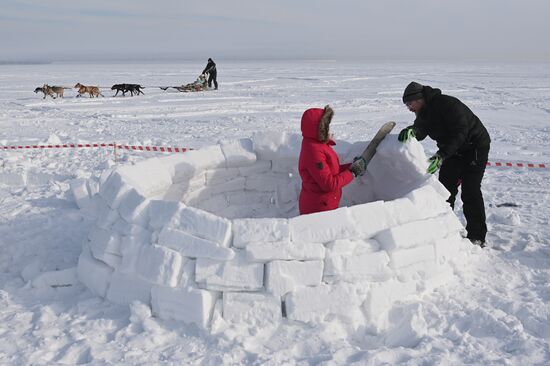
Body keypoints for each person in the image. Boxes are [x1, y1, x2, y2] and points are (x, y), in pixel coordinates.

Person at [398, 81, 491, 247]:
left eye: (409, 104)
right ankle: (445, 229)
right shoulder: (424, 112)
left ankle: (477, 236)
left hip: (474, 147)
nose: (409, 108)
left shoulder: (448, 105)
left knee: (470, 190)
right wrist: (413, 131)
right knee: (445, 191)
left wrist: (441, 155)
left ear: (419, 99)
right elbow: (422, 129)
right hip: (452, 151)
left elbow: (460, 133)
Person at [298, 105, 366, 215]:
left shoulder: (318, 145)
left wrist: (351, 166)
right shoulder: (313, 152)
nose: (329, 130)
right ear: (319, 129)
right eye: (326, 127)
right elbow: (329, 184)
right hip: (317, 210)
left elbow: (332, 170)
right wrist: (352, 173)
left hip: (323, 205)